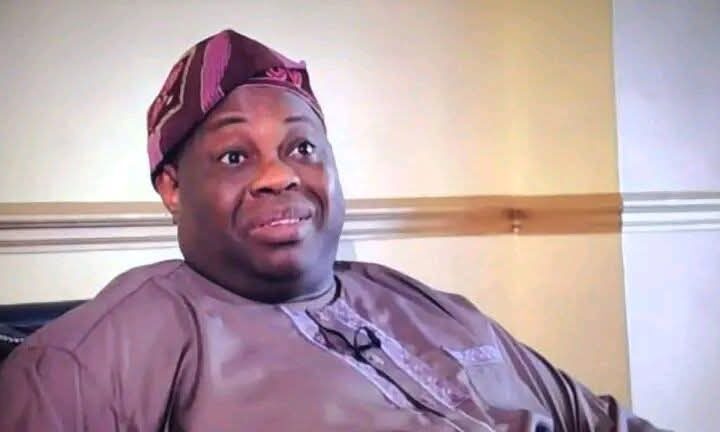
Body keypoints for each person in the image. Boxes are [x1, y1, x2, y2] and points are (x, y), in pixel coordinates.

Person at [0, 30, 665, 432]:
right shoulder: (90, 360)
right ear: (172, 187)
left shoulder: (432, 308)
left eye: (302, 148)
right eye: (234, 157)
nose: (279, 176)